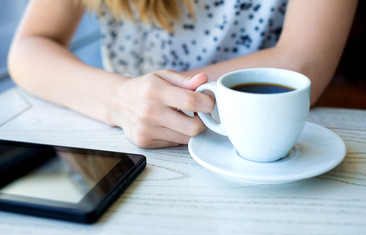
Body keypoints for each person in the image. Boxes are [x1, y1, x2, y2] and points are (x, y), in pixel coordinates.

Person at [8, 0, 358, 149]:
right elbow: (29, 47)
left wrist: (153, 100)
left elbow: (304, 60)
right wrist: (118, 99)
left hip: (261, 147)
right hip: (126, 144)